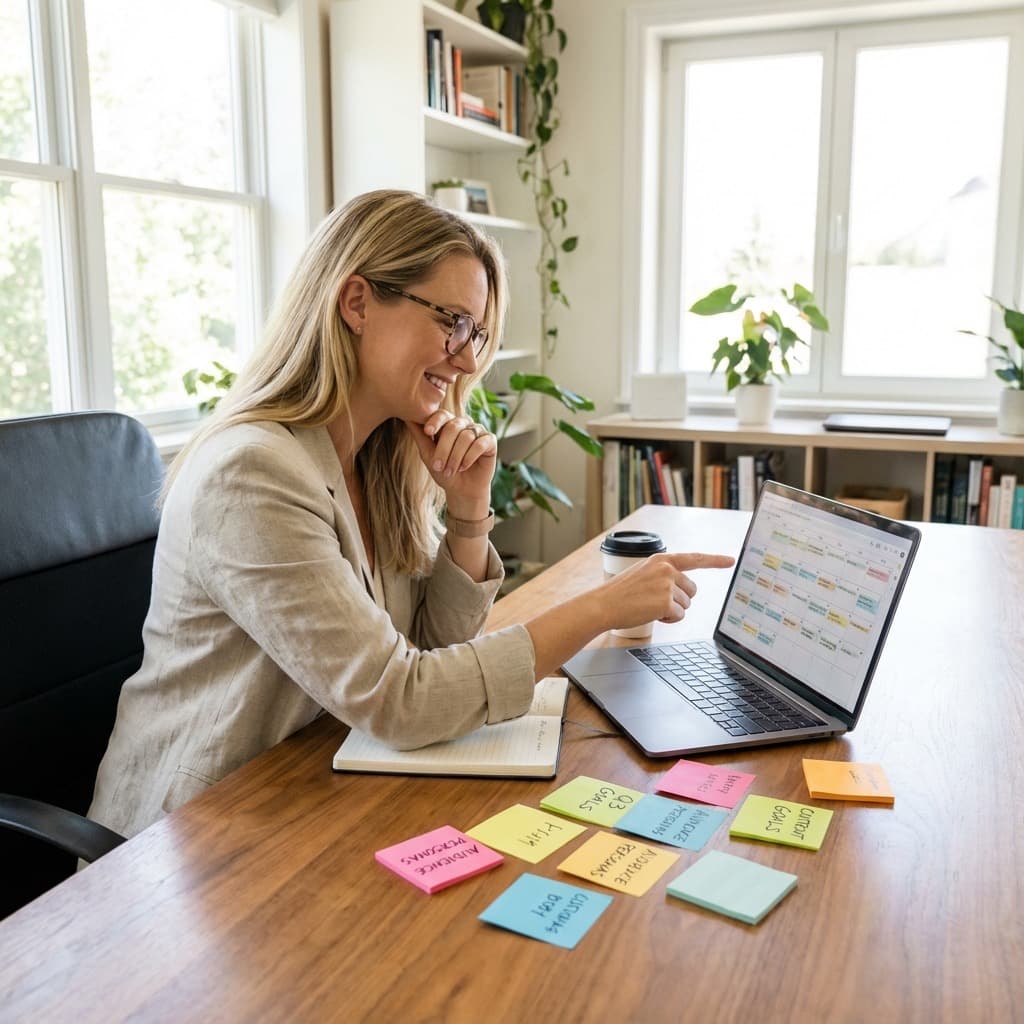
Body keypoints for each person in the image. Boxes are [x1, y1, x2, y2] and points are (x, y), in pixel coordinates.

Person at [89, 189, 734, 838]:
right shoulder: (252, 473)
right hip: (185, 843)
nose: (469, 359)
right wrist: (601, 607)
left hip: (313, 787)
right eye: (452, 321)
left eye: (477, 333)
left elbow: (432, 650)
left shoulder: (378, 458)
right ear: (358, 302)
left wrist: (467, 511)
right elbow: (400, 699)